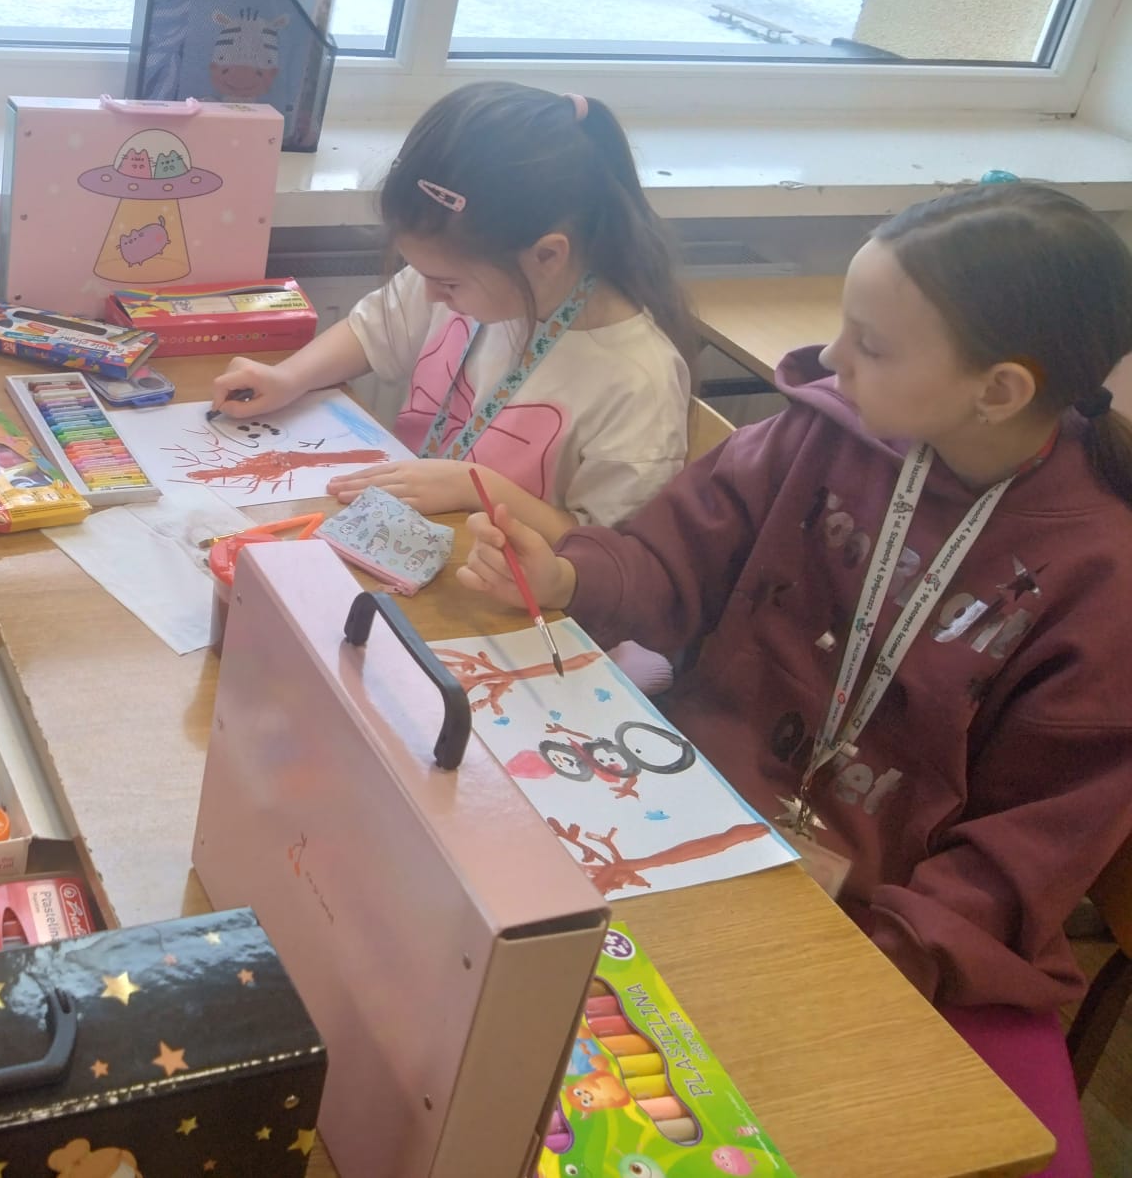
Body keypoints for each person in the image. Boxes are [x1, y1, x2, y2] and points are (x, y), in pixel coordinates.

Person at [461, 183, 1132, 1176]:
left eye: (871, 344)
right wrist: (567, 577)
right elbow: (673, 557)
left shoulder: (1102, 578)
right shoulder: (821, 431)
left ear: (996, 391)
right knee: (489, 1014)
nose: (831, 358)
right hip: (692, 817)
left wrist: (870, 949)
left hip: (887, 919)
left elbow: (1025, 851)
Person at [212, 80, 696, 540]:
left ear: (547, 256)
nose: (428, 296)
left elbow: (613, 557)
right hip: (418, 543)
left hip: (509, 586)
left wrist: (479, 489)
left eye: (446, 283)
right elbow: (373, 329)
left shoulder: (638, 383)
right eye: (421, 274)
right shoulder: (472, 277)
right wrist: (290, 377)